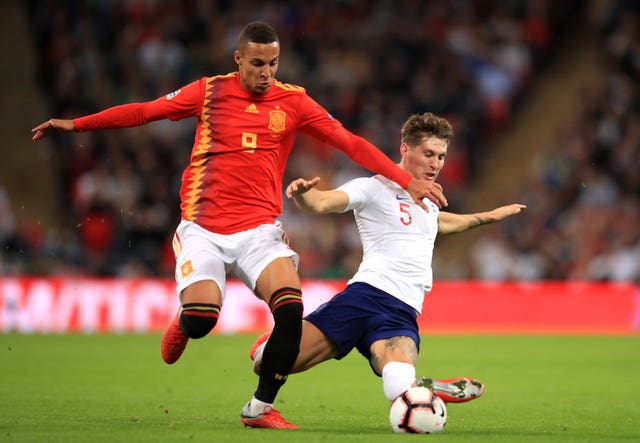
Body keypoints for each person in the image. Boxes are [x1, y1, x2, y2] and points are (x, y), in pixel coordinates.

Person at [31, 22, 447, 430]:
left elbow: (351, 142)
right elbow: (145, 111)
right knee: (202, 318)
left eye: (273, 63)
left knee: (290, 309)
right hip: (204, 229)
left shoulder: (294, 102)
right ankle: (184, 322)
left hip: (260, 231)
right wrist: (76, 124)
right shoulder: (208, 92)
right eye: (257, 63)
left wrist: (407, 180)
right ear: (239, 59)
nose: (266, 73)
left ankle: (259, 408)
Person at [250, 112, 526, 413]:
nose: (436, 163)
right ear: (405, 149)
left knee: (395, 383)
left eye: (442, 156)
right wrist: (304, 195)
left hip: (403, 310)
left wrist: (487, 218)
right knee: (266, 364)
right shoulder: (374, 188)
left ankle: (418, 388)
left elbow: (441, 223)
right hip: (365, 298)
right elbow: (324, 202)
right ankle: (269, 344)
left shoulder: (429, 200)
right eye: (429, 154)